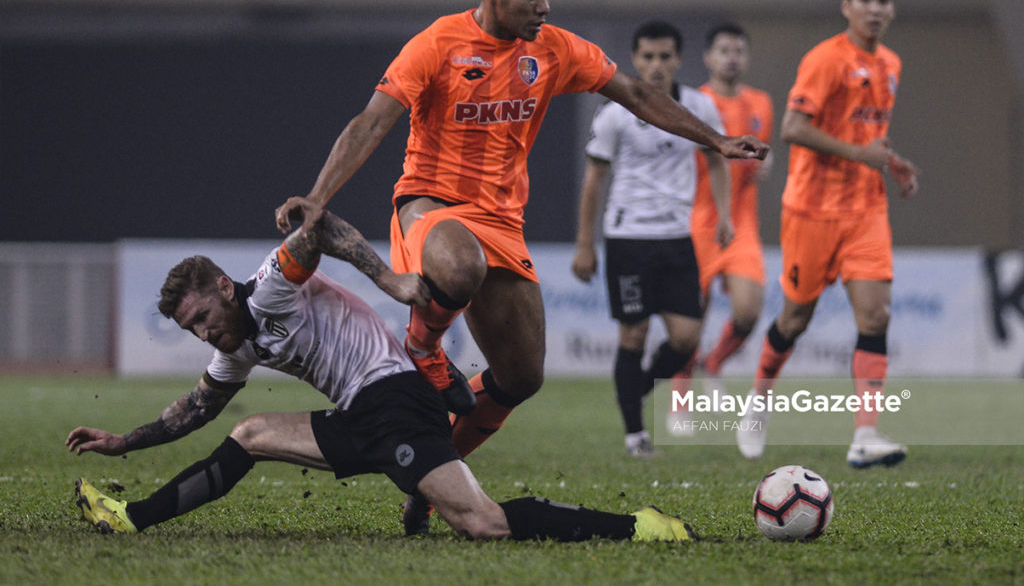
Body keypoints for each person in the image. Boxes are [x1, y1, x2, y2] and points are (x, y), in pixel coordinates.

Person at [273, 0, 769, 530]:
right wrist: (318, 197)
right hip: (429, 205)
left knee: (521, 377)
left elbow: (636, 94)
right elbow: (371, 122)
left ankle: (435, 476)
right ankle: (423, 347)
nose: (545, 7)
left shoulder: (553, 50)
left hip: (503, 222)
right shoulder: (438, 44)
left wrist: (714, 139)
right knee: (460, 265)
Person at [68, 199, 695, 543]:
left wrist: (389, 277)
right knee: (250, 432)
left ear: (222, 291)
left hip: (395, 399)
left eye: (203, 315)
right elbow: (195, 409)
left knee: (483, 522)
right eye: (190, 329)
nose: (203, 333)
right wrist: (124, 442)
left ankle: (640, 526)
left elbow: (322, 226)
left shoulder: (267, 289)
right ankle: (130, 517)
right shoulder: (235, 346)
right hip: (365, 413)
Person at [736, 0, 920, 467]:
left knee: (876, 314)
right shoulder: (825, 59)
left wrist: (892, 162)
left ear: (892, 8)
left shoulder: (892, 64)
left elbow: (867, 136)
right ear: (847, 6)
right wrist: (863, 155)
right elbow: (793, 128)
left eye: (884, 0)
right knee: (795, 318)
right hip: (812, 210)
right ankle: (759, 401)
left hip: (865, 208)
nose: (876, 8)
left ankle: (865, 434)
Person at [571, 20, 732, 456]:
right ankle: (635, 435)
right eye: (648, 57)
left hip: (677, 237)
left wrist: (723, 214)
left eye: (665, 57)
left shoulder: (700, 106)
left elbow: (718, 159)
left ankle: (635, 389)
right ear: (636, 59)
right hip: (628, 238)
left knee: (686, 339)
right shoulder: (615, 113)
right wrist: (585, 244)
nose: (656, 65)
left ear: (678, 59)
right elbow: (594, 181)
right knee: (634, 334)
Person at [667, 23, 774, 412]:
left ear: (745, 58)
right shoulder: (694, 103)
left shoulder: (761, 103)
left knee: (748, 312)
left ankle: (713, 364)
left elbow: (763, 150)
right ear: (708, 58)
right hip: (696, 219)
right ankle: (680, 405)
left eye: (738, 50)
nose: (731, 57)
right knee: (690, 320)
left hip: (742, 222)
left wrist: (768, 159)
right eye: (724, 50)